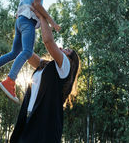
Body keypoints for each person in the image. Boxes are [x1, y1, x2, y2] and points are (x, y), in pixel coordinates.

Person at [9, 10, 80, 143]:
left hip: (44, 127)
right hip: (28, 120)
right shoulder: (45, 66)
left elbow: (48, 41)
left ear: (71, 60)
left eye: (67, 50)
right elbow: (26, 52)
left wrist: (42, 15)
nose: (62, 48)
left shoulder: (65, 67)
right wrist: (23, 23)